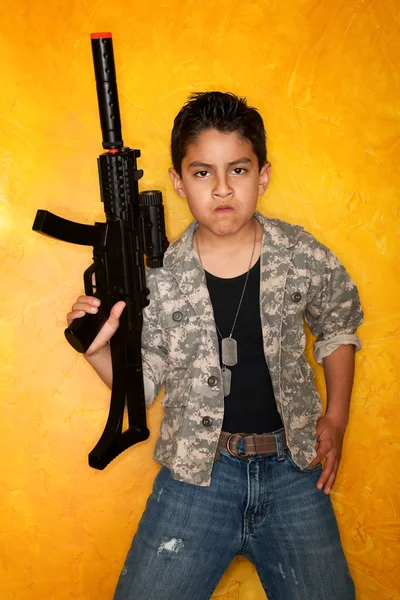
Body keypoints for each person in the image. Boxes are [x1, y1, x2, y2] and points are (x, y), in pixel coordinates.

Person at [67, 92, 363, 600]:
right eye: (203, 173)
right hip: (196, 478)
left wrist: (335, 419)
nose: (222, 189)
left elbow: (338, 326)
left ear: (263, 176)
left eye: (239, 171)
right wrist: (97, 349)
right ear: (180, 182)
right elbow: (140, 390)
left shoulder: (300, 254)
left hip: (294, 471)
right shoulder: (159, 280)